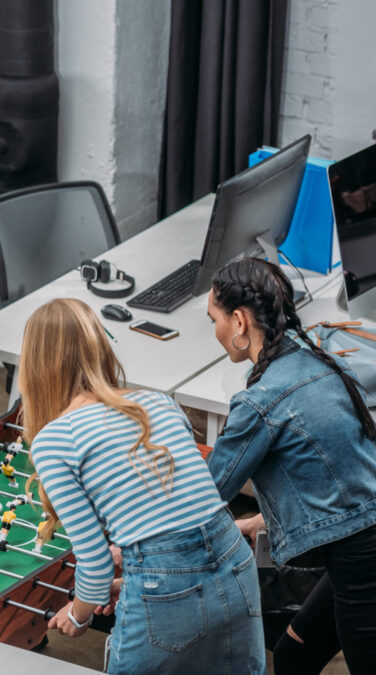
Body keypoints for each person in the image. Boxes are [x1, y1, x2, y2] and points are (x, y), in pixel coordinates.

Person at [21, 298, 263, 674]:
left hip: (163, 584)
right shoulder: (157, 401)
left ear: (34, 367)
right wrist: (136, 567)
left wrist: (79, 614)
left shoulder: (53, 441)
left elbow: (97, 567)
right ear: (100, 346)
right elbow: (189, 507)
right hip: (235, 561)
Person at [205, 258, 376, 673]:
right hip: (359, 544)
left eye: (215, 319)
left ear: (240, 322)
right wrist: (258, 521)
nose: (215, 332)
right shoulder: (314, 354)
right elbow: (332, 474)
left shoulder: (261, 403)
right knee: (294, 655)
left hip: (363, 563)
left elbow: (205, 497)